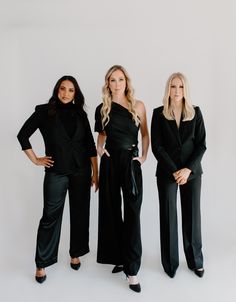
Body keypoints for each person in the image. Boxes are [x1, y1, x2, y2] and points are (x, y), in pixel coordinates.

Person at [17, 75, 98, 283]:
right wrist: (36, 159)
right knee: (50, 216)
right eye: (63, 89)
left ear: (75, 94)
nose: (66, 93)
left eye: (71, 90)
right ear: (57, 90)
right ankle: (41, 263)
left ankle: (75, 253)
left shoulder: (81, 114)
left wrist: (95, 172)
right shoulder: (44, 112)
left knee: (80, 213)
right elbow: (22, 135)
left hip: (81, 172)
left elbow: (90, 145)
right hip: (56, 172)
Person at [94, 65, 149, 293]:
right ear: (108, 83)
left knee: (133, 213)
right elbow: (101, 136)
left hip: (130, 162)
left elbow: (145, 134)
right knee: (111, 209)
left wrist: (144, 157)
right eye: (112, 80)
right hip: (110, 163)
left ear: (126, 82)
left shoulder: (138, 106)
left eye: (120, 79)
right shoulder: (102, 108)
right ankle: (119, 257)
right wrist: (100, 149)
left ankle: (133, 269)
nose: (117, 84)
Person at [151, 72, 206, 278]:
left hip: (191, 172)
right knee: (168, 216)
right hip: (167, 172)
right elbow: (157, 146)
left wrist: (187, 169)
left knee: (192, 217)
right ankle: (170, 264)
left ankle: (195, 261)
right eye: (173, 86)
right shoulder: (158, 113)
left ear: (185, 90)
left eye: (180, 87)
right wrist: (174, 170)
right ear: (168, 89)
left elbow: (201, 144)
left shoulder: (196, 112)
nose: (176, 91)